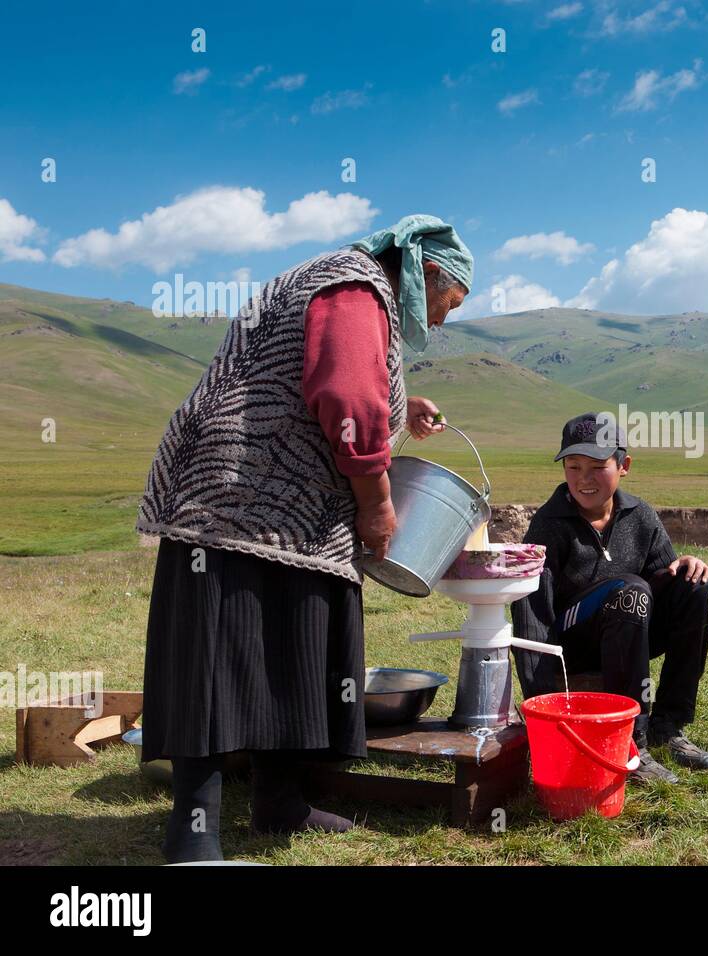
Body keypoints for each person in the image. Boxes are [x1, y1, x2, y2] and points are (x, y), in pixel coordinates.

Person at [137, 215, 473, 862]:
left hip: (280, 507)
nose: (440, 321)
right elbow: (346, 394)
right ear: (428, 273)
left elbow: (339, 376)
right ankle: (194, 836)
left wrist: (406, 401)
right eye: (446, 303)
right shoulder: (355, 286)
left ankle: (280, 804)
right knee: (222, 658)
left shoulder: (339, 283)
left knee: (291, 649)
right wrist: (376, 505)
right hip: (240, 501)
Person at [511, 413, 708, 785]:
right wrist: (542, 703)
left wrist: (686, 565)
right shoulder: (549, 525)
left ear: (623, 466)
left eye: (597, 467)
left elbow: (666, 579)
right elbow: (532, 613)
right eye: (573, 467)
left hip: (631, 631)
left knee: (699, 593)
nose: (583, 479)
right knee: (630, 591)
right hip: (572, 644)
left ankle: (668, 726)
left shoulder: (640, 516)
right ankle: (632, 745)